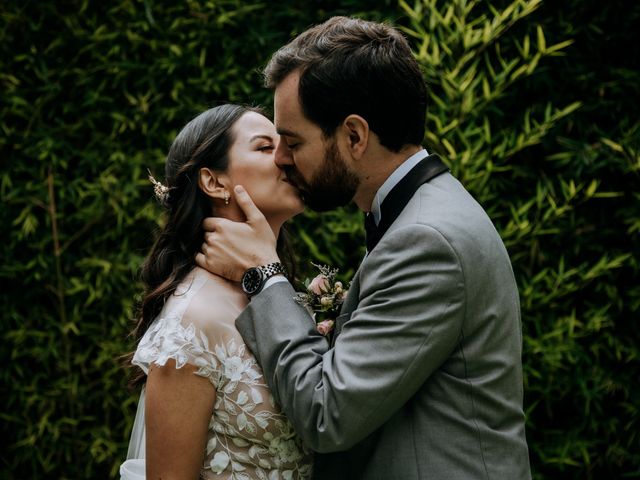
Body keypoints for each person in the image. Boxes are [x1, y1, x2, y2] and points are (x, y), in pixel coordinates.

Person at [196, 16, 532, 480]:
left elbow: (326, 413)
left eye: (293, 141)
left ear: (354, 136)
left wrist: (264, 274)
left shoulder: (425, 240)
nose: (280, 159)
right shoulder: (421, 214)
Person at [120, 104, 312, 480]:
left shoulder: (282, 295)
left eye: (286, 144)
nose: (287, 157)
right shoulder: (192, 322)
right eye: (263, 147)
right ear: (214, 182)